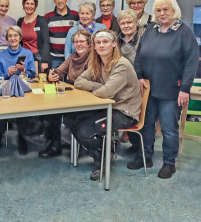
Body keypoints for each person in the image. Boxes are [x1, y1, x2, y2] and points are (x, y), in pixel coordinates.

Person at [127, 0, 199, 179]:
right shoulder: (151, 30)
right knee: (146, 126)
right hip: (149, 89)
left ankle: (169, 163)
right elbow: (139, 56)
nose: (162, 13)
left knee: (168, 128)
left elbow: (191, 63)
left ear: (174, 9)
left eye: (166, 9)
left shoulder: (184, 32)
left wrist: (184, 89)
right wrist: (140, 76)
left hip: (171, 91)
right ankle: (145, 156)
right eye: (158, 10)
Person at [66, 29, 141, 181]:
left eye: (105, 42)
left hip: (124, 113)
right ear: (94, 46)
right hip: (107, 107)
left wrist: (101, 88)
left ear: (114, 44)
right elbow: (79, 82)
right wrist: (99, 87)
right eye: (98, 42)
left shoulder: (121, 65)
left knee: (84, 130)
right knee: (69, 118)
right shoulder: (97, 62)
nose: (101, 45)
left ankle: (100, 161)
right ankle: (104, 151)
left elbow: (105, 93)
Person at [38, 30, 92, 158]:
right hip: (72, 96)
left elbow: (87, 80)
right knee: (51, 111)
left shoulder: (93, 58)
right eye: (76, 41)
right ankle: (54, 144)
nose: (78, 44)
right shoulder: (72, 57)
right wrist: (52, 75)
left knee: (56, 113)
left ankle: (75, 144)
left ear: (89, 43)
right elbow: (59, 71)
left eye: (81, 41)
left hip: (88, 99)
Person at [0, 26, 36, 154]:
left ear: (20, 38)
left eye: (15, 35)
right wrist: (7, 74)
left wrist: (23, 71)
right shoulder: (2, 55)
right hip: (6, 88)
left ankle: (22, 137)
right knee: (2, 108)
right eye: (10, 36)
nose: (13, 38)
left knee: (22, 108)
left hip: (22, 87)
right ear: (7, 39)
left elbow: (33, 74)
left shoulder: (27, 53)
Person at [116, 9, 145, 146]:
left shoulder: (144, 37)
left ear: (136, 22)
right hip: (122, 82)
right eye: (123, 23)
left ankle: (139, 148)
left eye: (129, 22)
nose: (126, 25)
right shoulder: (117, 38)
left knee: (139, 115)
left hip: (140, 80)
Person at [44, 0, 79, 69]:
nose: (60, 1)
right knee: (54, 80)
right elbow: (45, 39)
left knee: (70, 81)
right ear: (54, 0)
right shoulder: (48, 17)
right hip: (54, 58)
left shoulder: (76, 16)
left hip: (72, 57)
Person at [17, 0, 50, 73]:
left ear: (35, 6)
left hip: (37, 56)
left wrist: (44, 61)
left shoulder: (41, 21)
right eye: (27, 3)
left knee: (37, 81)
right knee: (23, 80)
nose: (29, 6)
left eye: (32, 4)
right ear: (23, 5)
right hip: (23, 56)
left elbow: (46, 42)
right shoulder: (20, 21)